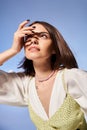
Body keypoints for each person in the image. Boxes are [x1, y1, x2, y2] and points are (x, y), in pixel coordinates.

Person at [0, 20, 87, 130]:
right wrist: (13, 50)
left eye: (43, 36)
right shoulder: (26, 85)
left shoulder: (73, 78)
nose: (33, 40)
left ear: (55, 48)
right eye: (28, 37)